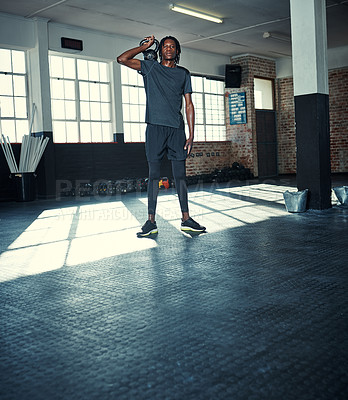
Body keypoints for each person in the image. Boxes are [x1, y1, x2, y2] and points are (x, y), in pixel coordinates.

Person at [117, 35, 206, 237]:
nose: (168, 49)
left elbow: (189, 105)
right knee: (154, 175)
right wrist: (145, 47)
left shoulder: (184, 74)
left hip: (176, 130)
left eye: (172, 46)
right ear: (160, 50)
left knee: (180, 176)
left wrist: (191, 135)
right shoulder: (150, 68)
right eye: (165, 46)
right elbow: (122, 59)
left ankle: (186, 219)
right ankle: (150, 222)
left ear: (177, 51)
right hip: (155, 128)